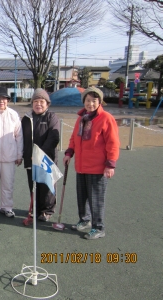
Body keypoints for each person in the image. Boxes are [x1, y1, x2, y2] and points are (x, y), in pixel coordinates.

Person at [63, 87, 119, 240]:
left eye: (94, 100)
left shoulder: (106, 118)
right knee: (82, 197)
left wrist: (110, 164)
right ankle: (84, 220)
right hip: (81, 166)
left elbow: (112, 143)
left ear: (99, 102)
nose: (90, 104)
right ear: (84, 102)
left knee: (96, 199)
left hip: (98, 167)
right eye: (88, 100)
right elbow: (74, 138)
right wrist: (69, 153)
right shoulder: (82, 118)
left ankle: (98, 227)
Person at [22, 88, 60, 222]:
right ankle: (36, 208)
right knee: (33, 185)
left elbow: (54, 138)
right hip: (30, 159)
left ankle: (46, 210)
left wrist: (40, 153)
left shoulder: (52, 117)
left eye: (41, 101)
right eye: (36, 101)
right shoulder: (27, 119)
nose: (38, 104)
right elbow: (22, 139)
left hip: (46, 159)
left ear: (47, 104)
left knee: (47, 186)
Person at [0, 87, 23, 219]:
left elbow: (19, 136)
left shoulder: (13, 114)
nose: (1, 101)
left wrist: (19, 155)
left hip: (10, 156)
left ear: (7, 100)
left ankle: (7, 207)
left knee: (8, 184)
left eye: (4, 98)